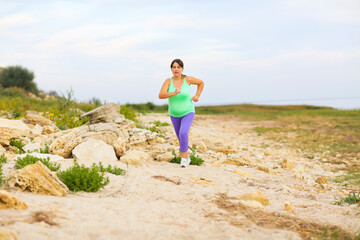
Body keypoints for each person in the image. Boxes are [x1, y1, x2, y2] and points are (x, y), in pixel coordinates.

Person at [159, 59, 204, 167]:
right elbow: (161, 95)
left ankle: (183, 159)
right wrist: (173, 92)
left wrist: (197, 95)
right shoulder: (168, 81)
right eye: (174, 67)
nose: (176, 69)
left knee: (183, 133)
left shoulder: (187, 79)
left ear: (182, 69)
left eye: (178, 67)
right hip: (174, 114)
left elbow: (201, 83)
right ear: (171, 69)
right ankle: (187, 157)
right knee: (180, 137)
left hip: (188, 111)